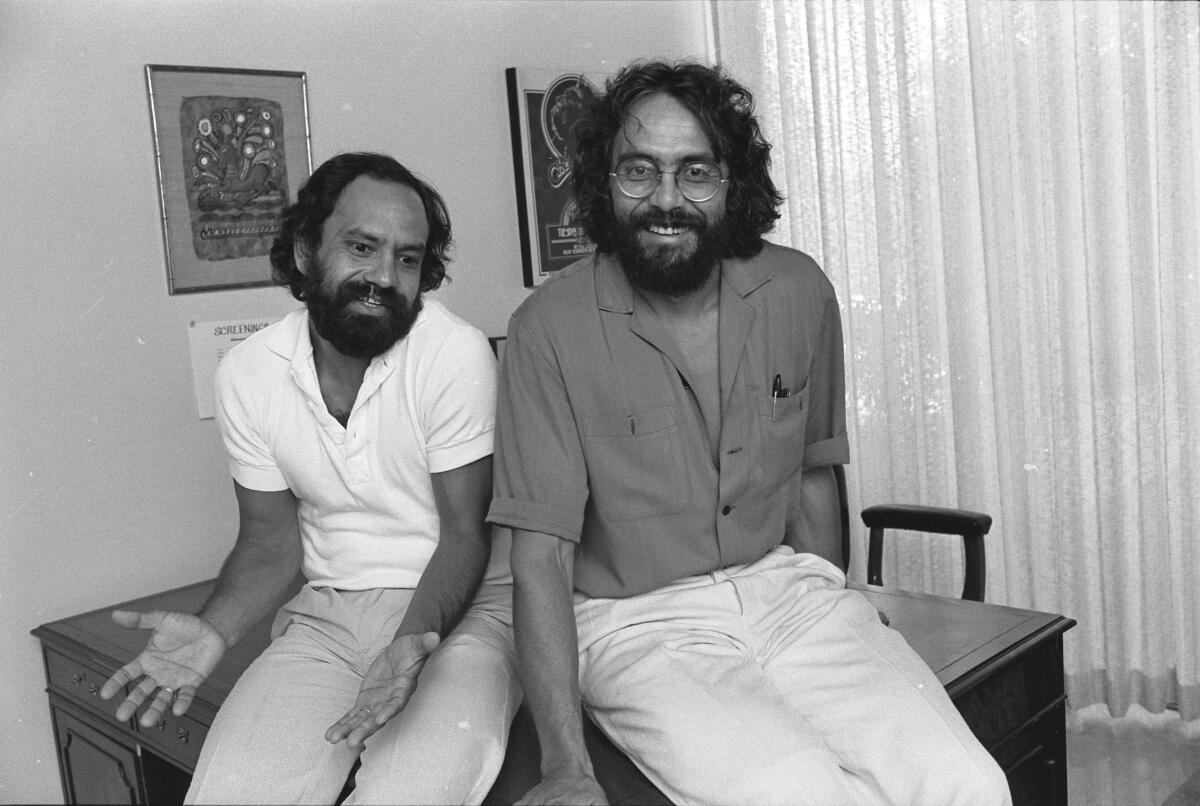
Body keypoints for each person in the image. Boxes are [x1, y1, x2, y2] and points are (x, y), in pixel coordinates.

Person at [488, 61, 1012, 805]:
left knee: (969, 785)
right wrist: (564, 764)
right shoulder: (547, 330)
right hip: (640, 620)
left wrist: (841, 601)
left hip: (787, 589)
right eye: (638, 171)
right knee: (806, 793)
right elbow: (539, 557)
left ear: (732, 182)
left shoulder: (800, 291)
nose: (665, 200)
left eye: (694, 172)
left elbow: (810, 476)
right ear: (604, 182)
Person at [99, 152, 519, 805]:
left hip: (460, 617)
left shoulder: (452, 354)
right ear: (303, 252)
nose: (384, 276)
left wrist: (409, 643)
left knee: (407, 793)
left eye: (408, 259)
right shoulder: (249, 373)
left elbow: (467, 534)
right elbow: (270, 541)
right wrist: (215, 628)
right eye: (361, 247)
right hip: (328, 618)